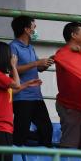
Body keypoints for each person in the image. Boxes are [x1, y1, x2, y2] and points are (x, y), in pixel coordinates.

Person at [0, 42, 42, 161]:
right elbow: (16, 85)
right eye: (9, 55)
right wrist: (14, 66)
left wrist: (27, 84)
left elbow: (10, 91)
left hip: (4, 127)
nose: (11, 58)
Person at [10, 16, 54, 147]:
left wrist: (47, 63)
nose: (35, 30)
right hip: (22, 96)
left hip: (36, 96)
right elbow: (13, 71)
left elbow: (39, 68)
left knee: (47, 130)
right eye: (34, 27)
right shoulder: (13, 46)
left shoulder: (30, 48)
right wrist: (36, 62)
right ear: (27, 29)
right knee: (21, 133)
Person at [55, 22, 81, 149]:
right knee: (69, 144)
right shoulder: (62, 53)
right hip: (69, 106)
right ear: (73, 35)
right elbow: (59, 57)